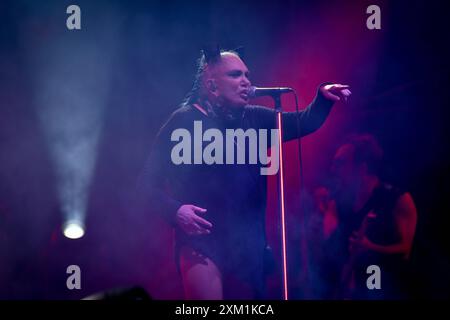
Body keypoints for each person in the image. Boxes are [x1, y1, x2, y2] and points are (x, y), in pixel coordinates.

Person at [137, 48, 351, 299]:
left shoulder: (255, 119)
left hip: (248, 245)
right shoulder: (183, 122)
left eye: (247, 75)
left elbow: (305, 121)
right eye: (236, 75)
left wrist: (323, 98)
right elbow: (145, 186)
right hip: (202, 243)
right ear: (212, 86)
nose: (246, 81)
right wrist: (175, 211)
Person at [328, 134, 418, 299]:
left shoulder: (397, 199)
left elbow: (405, 251)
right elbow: (330, 255)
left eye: (340, 163)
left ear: (361, 169)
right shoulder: (339, 204)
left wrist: (371, 248)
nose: (333, 169)